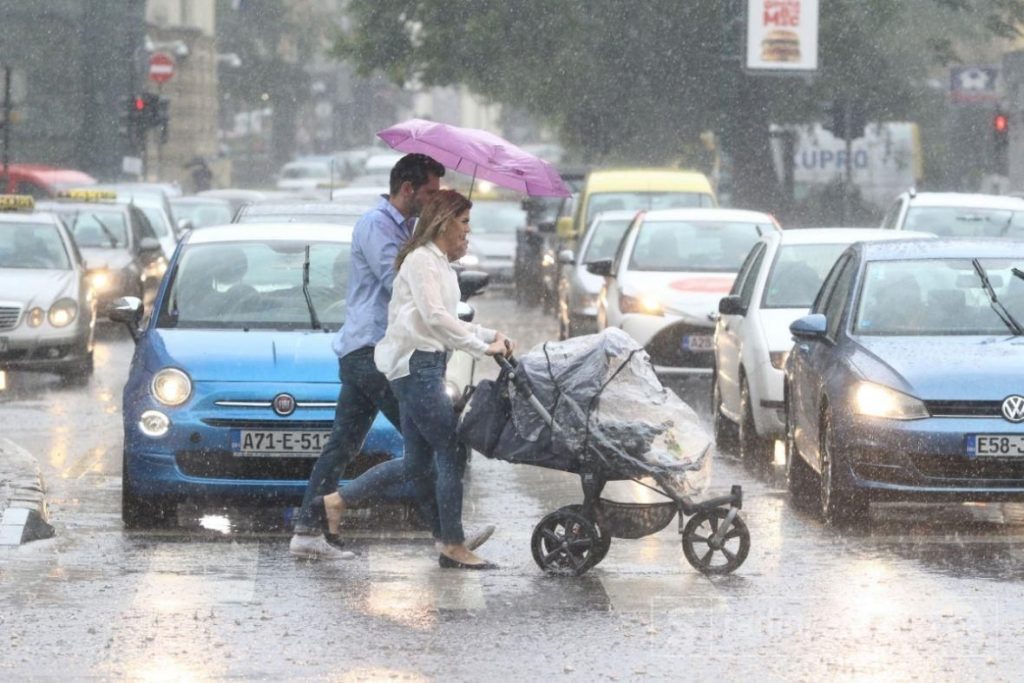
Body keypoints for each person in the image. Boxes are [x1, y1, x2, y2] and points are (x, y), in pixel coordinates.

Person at [374, 189, 512, 569]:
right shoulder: (421, 262)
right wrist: (482, 349)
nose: (468, 230)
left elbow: (451, 318)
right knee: (450, 450)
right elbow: (435, 318)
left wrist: (490, 335)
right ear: (444, 222)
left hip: (426, 365)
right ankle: (452, 542)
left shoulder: (441, 265)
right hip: (418, 367)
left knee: (416, 462)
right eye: (464, 222)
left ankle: (334, 501)